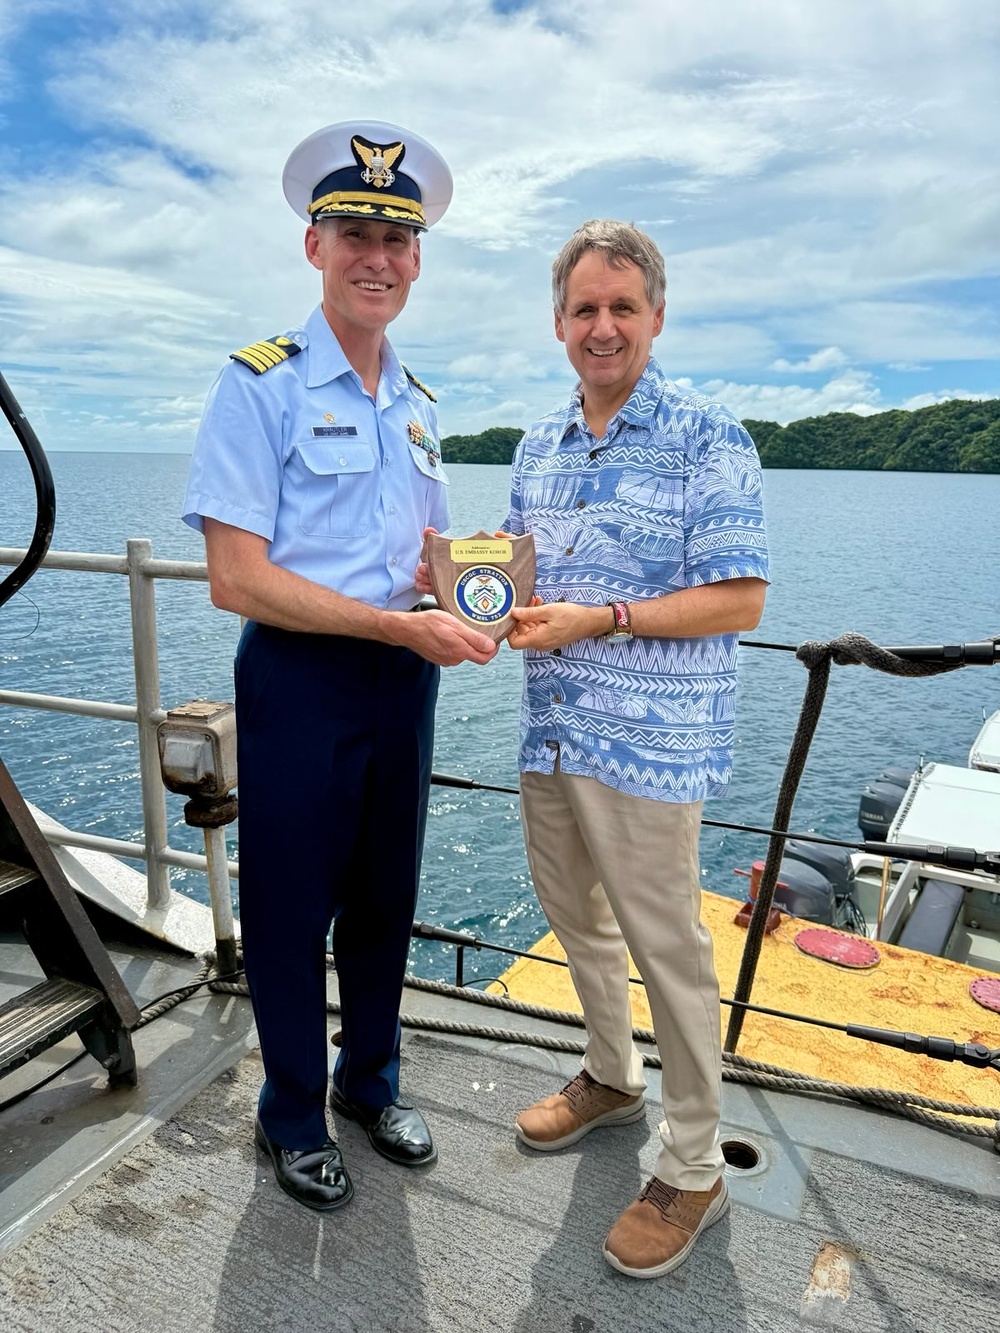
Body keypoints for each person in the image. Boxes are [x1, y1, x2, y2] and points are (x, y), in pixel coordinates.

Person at [181, 121, 497, 1214]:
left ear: (418, 260)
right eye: (355, 230)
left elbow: (431, 560)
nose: (377, 256)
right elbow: (236, 577)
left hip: (404, 682)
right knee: (286, 907)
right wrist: (396, 627)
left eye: (396, 239)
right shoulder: (257, 384)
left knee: (382, 897)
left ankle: (371, 1083)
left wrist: (491, 597)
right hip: (301, 682)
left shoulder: (420, 407)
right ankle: (292, 1112)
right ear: (314, 244)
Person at [505, 219, 769, 1277]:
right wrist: (461, 584)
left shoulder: (711, 436)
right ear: (558, 321)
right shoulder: (538, 444)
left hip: (650, 744)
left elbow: (739, 597)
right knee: (575, 921)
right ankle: (611, 1078)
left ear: (655, 315)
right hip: (554, 730)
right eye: (584, 309)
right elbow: (516, 576)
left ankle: (695, 1165)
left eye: (622, 307)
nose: (602, 326)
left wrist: (600, 617)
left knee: (671, 951)